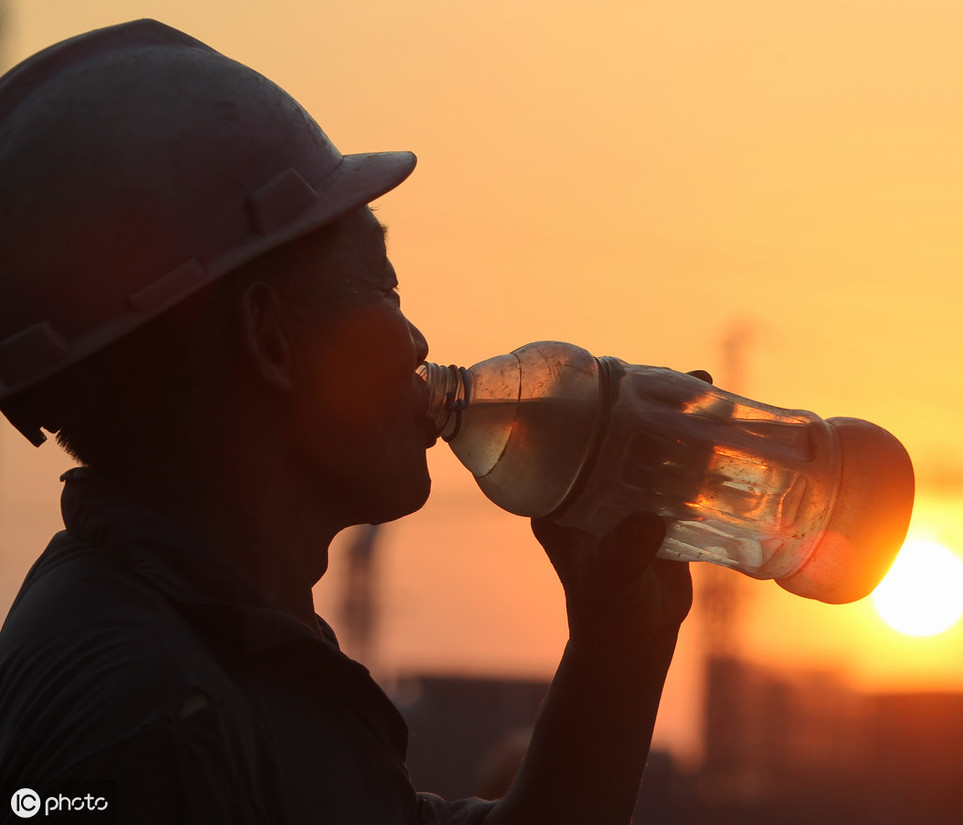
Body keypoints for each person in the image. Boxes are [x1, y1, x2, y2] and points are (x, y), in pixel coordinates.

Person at [0, 19, 691, 824]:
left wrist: (620, 644)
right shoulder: (152, 727)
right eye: (385, 290)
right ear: (270, 340)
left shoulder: (219, 651)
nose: (419, 344)